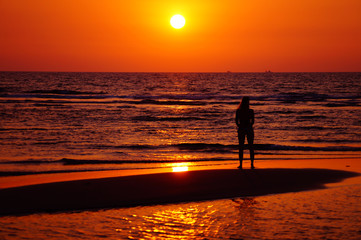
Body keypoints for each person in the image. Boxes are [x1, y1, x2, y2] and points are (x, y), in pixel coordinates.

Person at [235, 96, 255, 169]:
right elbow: (252, 121)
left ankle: (240, 164)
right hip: (249, 128)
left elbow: (236, 121)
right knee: (250, 146)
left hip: (242, 128)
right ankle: (252, 164)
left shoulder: (238, 111)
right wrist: (249, 125)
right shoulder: (250, 111)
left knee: (241, 147)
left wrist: (240, 126)